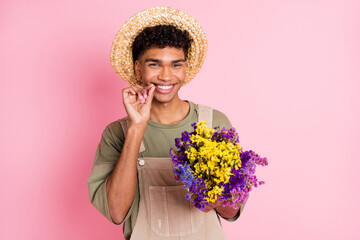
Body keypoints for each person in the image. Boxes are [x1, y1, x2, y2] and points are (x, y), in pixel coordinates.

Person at [87, 7, 247, 240]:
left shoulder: (214, 123)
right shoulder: (117, 133)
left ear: (185, 68)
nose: (166, 76)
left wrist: (215, 198)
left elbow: (232, 210)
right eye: (154, 64)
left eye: (175, 64)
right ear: (137, 68)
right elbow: (117, 212)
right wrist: (137, 127)